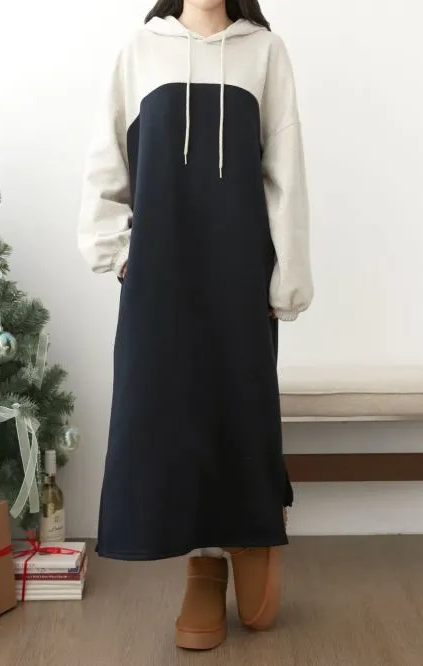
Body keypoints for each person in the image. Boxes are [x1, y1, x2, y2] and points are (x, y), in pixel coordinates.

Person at [78, 0, 313, 650]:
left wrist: (286, 276)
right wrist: (119, 255)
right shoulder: (139, 51)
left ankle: (252, 531)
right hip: (161, 275)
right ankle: (203, 567)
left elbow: (285, 173)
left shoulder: (265, 52)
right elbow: (105, 164)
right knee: (166, 415)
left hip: (239, 272)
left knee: (238, 405)